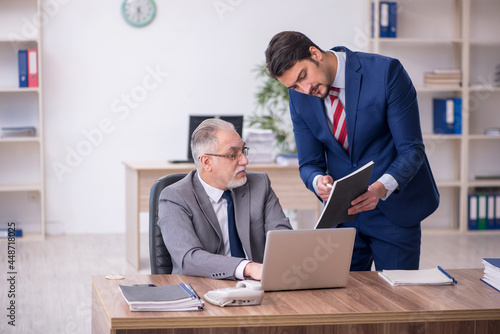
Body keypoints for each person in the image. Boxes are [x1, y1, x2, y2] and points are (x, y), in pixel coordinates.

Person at [265, 31, 439, 271]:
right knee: (344, 302)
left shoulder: (386, 73)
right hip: (342, 218)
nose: (305, 89)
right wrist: (318, 182)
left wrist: (379, 189)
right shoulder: (299, 98)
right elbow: (308, 164)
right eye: (294, 86)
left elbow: (412, 149)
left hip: (393, 209)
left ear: (315, 53)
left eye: (303, 76)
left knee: (398, 302)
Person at [158, 118, 292, 280]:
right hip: (202, 287)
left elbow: (283, 238)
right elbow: (189, 258)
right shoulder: (175, 197)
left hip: (256, 287)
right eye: (232, 155)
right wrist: (247, 268)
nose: (244, 160)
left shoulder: (259, 185)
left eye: (244, 151)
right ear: (206, 162)